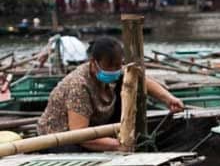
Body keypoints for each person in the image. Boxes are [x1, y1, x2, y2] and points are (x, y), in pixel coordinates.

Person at [37, 36, 184, 152]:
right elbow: (79, 134)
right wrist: (116, 145)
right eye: (109, 66)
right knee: (73, 149)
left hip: (96, 128)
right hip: (60, 138)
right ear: (94, 63)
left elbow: (140, 80)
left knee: (128, 82)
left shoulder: (116, 72)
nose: (115, 70)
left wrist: (169, 99)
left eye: (118, 65)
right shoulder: (78, 85)